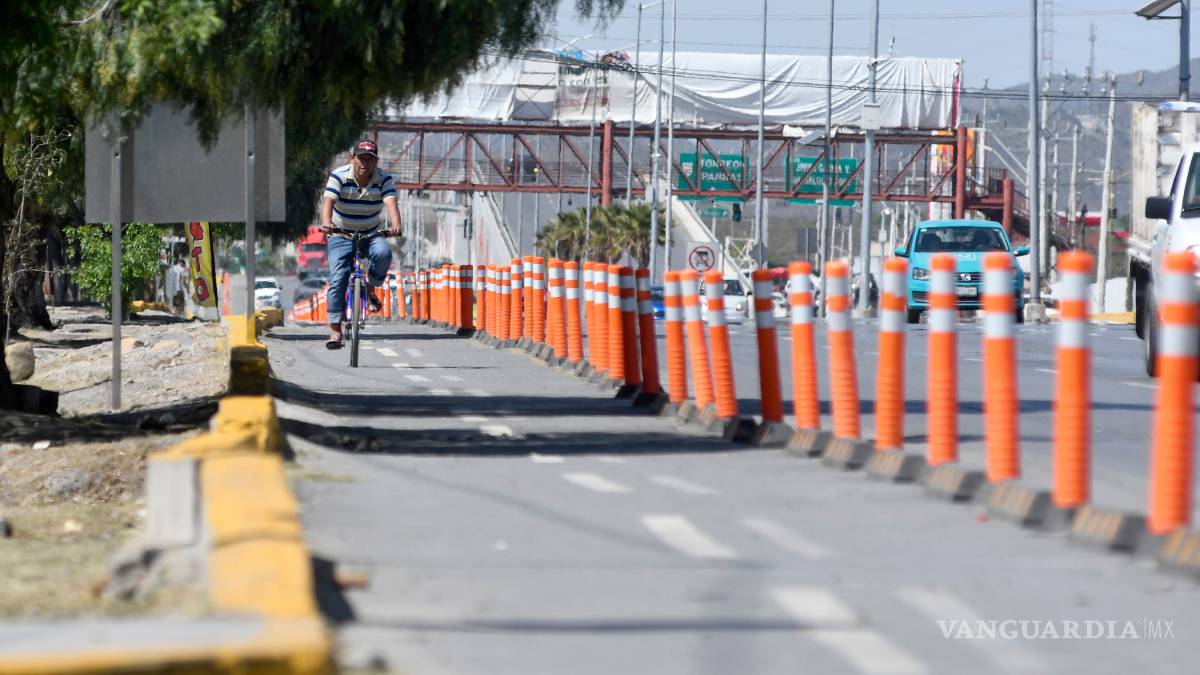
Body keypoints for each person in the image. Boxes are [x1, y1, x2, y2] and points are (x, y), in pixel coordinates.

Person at [321, 139, 402, 349]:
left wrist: (396, 225)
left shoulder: (384, 179)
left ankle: (371, 286)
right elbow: (328, 200)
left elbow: (391, 202)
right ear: (352, 159)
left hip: (370, 233)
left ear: (376, 162)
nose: (365, 163)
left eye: (370, 159)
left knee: (383, 254)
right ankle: (335, 331)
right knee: (338, 277)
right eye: (361, 158)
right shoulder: (339, 175)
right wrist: (326, 222)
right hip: (340, 233)